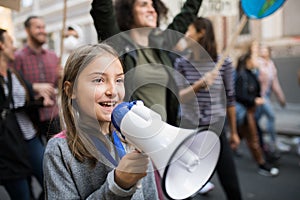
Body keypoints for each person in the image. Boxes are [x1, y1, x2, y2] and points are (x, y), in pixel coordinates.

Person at [90, 0, 204, 198]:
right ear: (128, 12)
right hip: (136, 146)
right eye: (143, 4)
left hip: (166, 138)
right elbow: (102, 9)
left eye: (153, 5)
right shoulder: (120, 45)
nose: (151, 9)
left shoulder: (161, 46)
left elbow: (188, 13)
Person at [43, 43, 158, 199]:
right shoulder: (59, 151)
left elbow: (150, 194)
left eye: (119, 80)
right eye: (99, 80)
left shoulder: (134, 136)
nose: (112, 91)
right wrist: (117, 185)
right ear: (71, 90)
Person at [173, 17, 242, 199]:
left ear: (201, 32)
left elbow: (230, 98)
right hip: (189, 129)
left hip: (216, 130)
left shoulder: (223, 63)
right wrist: (199, 85)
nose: (185, 35)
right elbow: (178, 97)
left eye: (189, 31)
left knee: (231, 183)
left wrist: (233, 132)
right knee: (183, 186)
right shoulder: (181, 63)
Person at [0, 28, 45, 200]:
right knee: (23, 195)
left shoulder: (14, 74)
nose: (14, 47)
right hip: (8, 147)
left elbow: (28, 98)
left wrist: (40, 99)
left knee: (50, 182)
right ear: (1, 45)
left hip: (31, 139)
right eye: (10, 42)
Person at [13, 15, 61, 142]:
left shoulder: (53, 56)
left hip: (53, 116)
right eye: (38, 27)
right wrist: (34, 87)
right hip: (30, 119)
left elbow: (58, 85)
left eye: (43, 27)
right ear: (27, 31)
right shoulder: (17, 57)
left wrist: (62, 76)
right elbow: (14, 85)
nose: (42, 30)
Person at [235, 51, 279, 177]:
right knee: (253, 139)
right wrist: (254, 100)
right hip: (246, 112)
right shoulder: (242, 75)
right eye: (254, 58)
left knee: (243, 135)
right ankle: (262, 164)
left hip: (251, 111)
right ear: (248, 61)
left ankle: (228, 150)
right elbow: (239, 95)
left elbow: (257, 90)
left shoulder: (252, 74)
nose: (257, 60)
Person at [256, 45, 289, 153]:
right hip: (259, 96)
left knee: (254, 120)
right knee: (271, 116)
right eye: (261, 49)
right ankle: (273, 142)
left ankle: (244, 138)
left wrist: (281, 98)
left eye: (265, 49)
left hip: (265, 96)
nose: (262, 51)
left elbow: (275, 83)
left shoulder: (271, 65)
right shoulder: (258, 63)